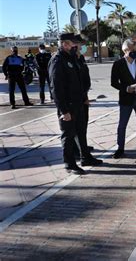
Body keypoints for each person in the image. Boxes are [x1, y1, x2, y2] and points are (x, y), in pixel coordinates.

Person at [48, 33, 103, 175]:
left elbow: (80, 81)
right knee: (68, 135)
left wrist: (84, 97)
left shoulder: (72, 58)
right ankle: (70, 164)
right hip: (68, 106)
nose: (76, 46)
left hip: (79, 102)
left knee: (81, 131)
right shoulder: (57, 60)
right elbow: (56, 88)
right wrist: (64, 110)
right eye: (74, 44)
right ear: (65, 44)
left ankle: (85, 157)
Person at [72, 35, 94, 153]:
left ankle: (82, 146)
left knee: (84, 123)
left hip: (83, 96)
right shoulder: (71, 59)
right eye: (81, 43)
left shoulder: (81, 58)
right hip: (76, 99)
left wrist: (85, 96)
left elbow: (85, 78)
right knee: (76, 126)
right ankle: (76, 149)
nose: (82, 46)